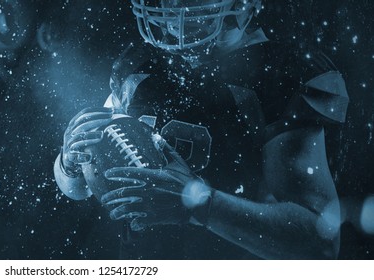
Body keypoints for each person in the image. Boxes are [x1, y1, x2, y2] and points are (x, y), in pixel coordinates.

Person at [54, 0, 349, 259]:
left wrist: (199, 204)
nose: (172, 6)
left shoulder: (278, 74)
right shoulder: (138, 65)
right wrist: (69, 163)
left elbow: (320, 244)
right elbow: (78, 188)